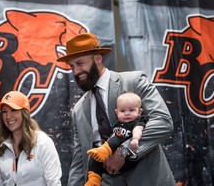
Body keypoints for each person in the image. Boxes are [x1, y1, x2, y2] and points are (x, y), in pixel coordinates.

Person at [57, 33, 176, 186]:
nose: (75, 71)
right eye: (71, 66)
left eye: (80, 63)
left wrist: (123, 152)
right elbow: (80, 160)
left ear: (98, 58)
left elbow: (163, 122)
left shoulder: (135, 81)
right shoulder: (79, 109)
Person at [0, 91, 62, 186]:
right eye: (4, 111)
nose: (8, 116)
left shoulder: (43, 143)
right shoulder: (0, 147)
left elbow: (54, 183)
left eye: (13, 110)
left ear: (24, 113)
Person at [85, 92, 148, 186]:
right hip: (111, 157)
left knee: (117, 138)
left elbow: (138, 129)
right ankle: (93, 180)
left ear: (139, 112)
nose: (127, 113)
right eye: (122, 111)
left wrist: (135, 139)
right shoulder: (117, 124)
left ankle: (104, 150)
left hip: (127, 159)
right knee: (94, 158)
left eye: (131, 110)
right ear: (116, 112)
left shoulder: (137, 121)